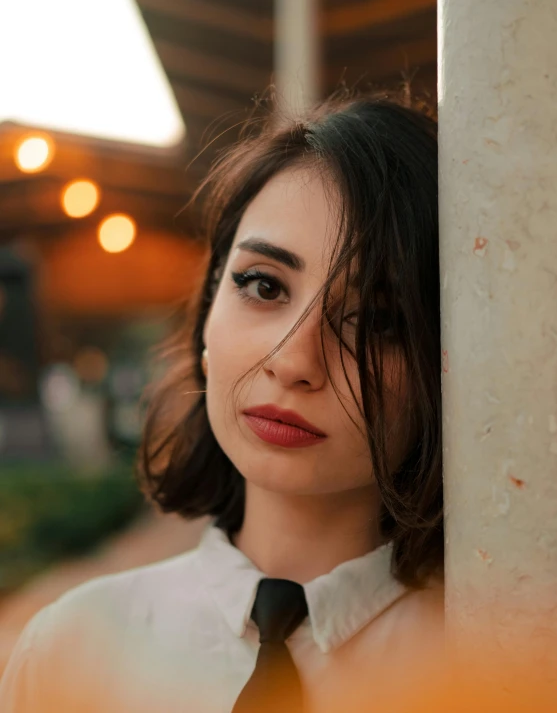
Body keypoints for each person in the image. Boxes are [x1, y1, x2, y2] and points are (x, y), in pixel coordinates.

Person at [0, 89, 445, 712]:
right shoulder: (70, 655)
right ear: (207, 316)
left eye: (379, 319)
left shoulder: (502, 660)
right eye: (263, 285)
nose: (294, 361)